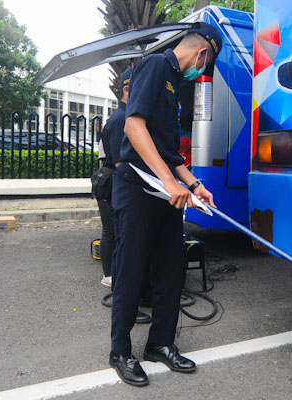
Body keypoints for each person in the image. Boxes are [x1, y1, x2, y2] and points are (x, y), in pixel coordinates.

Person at [109, 22, 222, 387]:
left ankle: (160, 343)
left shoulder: (175, 84)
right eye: (207, 64)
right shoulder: (156, 66)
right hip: (138, 189)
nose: (202, 71)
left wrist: (195, 184)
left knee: (172, 269)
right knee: (131, 270)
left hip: (166, 194)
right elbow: (134, 126)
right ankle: (121, 351)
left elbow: (170, 153)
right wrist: (172, 181)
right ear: (203, 53)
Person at [95, 67, 151, 324]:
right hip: (115, 186)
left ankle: (130, 291)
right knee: (115, 236)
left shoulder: (127, 117)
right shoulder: (120, 121)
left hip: (121, 186)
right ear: (127, 90)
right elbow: (120, 162)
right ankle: (116, 284)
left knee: (121, 238)